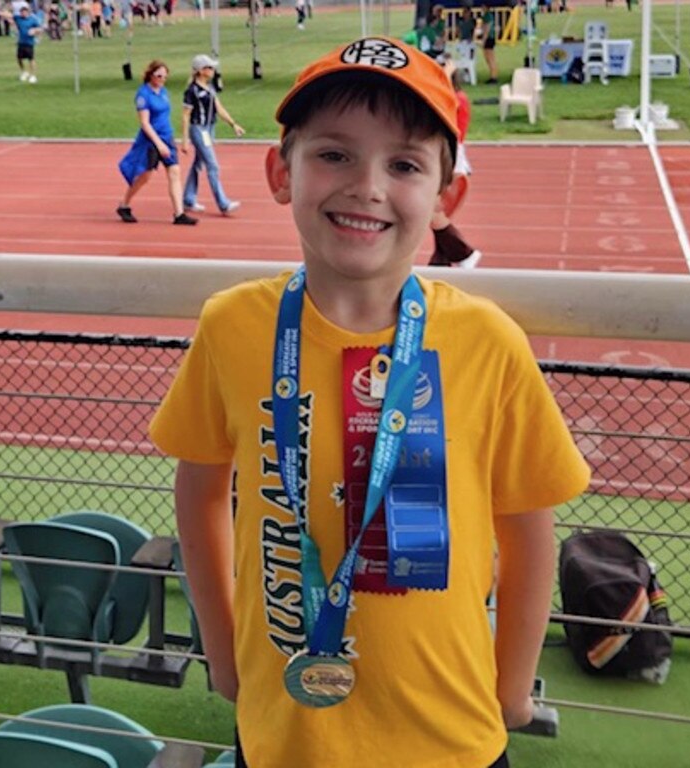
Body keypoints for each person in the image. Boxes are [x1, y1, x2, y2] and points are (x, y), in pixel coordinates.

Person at [149, 36, 590, 768]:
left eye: (405, 164)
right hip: (285, 734)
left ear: (448, 199)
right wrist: (224, 659)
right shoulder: (233, 327)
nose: (367, 186)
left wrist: (513, 688)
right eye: (334, 154)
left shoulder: (487, 341)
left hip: (451, 739)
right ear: (279, 171)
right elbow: (198, 491)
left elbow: (528, 528)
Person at [117, 60, 196, 225]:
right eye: (159, 75)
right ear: (150, 75)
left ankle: (179, 213)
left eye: (165, 76)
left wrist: (170, 139)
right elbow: (145, 124)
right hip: (151, 141)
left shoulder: (163, 91)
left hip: (167, 137)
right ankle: (124, 204)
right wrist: (159, 144)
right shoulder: (143, 95)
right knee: (145, 176)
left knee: (174, 172)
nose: (162, 79)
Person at [430, 57, 480, 268]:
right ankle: (441, 260)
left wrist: (445, 73)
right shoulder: (457, 97)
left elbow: (443, 98)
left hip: (452, 154)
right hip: (450, 153)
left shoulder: (457, 99)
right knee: (435, 213)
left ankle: (464, 253)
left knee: (433, 212)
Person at [180, 53, 244, 216]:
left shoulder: (210, 88)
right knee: (212, 166)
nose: (212, 69)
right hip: (199, 129)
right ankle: (223, 204)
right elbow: (186, 115)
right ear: (200, 71)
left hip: (209, 129)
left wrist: (233, 124)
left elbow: (218, 108)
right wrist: (185, 140)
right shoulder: (192, 91)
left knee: (198, 164)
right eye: (209, 67)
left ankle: (188, 199)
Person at [8, 4, 41, 83]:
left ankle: (33, 75)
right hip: (21, 42)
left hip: (29, 43)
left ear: (27, 12)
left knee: (31, 59)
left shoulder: (32, 20)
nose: (23, 14)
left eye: (25, 12)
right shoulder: (18, 19)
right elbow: (9, 16)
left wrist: (34, 31)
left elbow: (40, 28)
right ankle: (24, 72)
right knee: (19, 58)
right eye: (22, 13)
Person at [480, 6, 499, 83]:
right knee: (490, 58)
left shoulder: (487, 16)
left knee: (490, 58)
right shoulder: (487, 15)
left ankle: (493, 76)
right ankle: (493, 75)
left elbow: (486, 28)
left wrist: (483, 40)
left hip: (489, 38)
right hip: (490, 38)